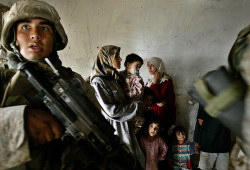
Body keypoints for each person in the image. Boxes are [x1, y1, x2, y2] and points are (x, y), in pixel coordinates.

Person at [0, 1, 106, 169]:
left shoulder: (75, 82)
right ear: (13, 37)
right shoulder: (3, 79)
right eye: (25, 27)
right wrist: (16, 122)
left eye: (44, 28)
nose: (35, 35)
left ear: (55, 39)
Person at [90, 45, 145, 168]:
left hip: (126, 121)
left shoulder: (114, 78)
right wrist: (136, 106)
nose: (120, 59)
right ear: (107, 58)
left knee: (135, 157)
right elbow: (112, 111)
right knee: (123, 160)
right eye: (117, 56)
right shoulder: (99, 82)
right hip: (115, 126)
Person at [146, 57, 176, 140]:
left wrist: (155, 83)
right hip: (150, 113)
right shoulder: (149, 80)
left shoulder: (166, 80)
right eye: (148, 65)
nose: (149, 68)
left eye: (152, 65)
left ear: (159, 66)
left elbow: (157, 98)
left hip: (161, 115)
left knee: (160, 137)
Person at [193, 105, 231, 170]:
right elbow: (199, 121)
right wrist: (196, 140)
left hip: (223, 141)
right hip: (208, 142)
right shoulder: (205, 98)